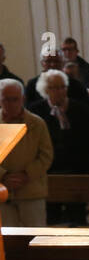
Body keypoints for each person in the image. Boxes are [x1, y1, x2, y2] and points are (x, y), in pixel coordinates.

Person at [0, 78, 53, 226]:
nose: (10, 104)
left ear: (23, 99)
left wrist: (26, 175)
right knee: (7, 241)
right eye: (5, 100)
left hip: (32, 191)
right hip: (2, 191)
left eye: (14, 99)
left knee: (35, 239)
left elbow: (46, 156)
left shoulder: (37, 123)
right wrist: (4, 176)